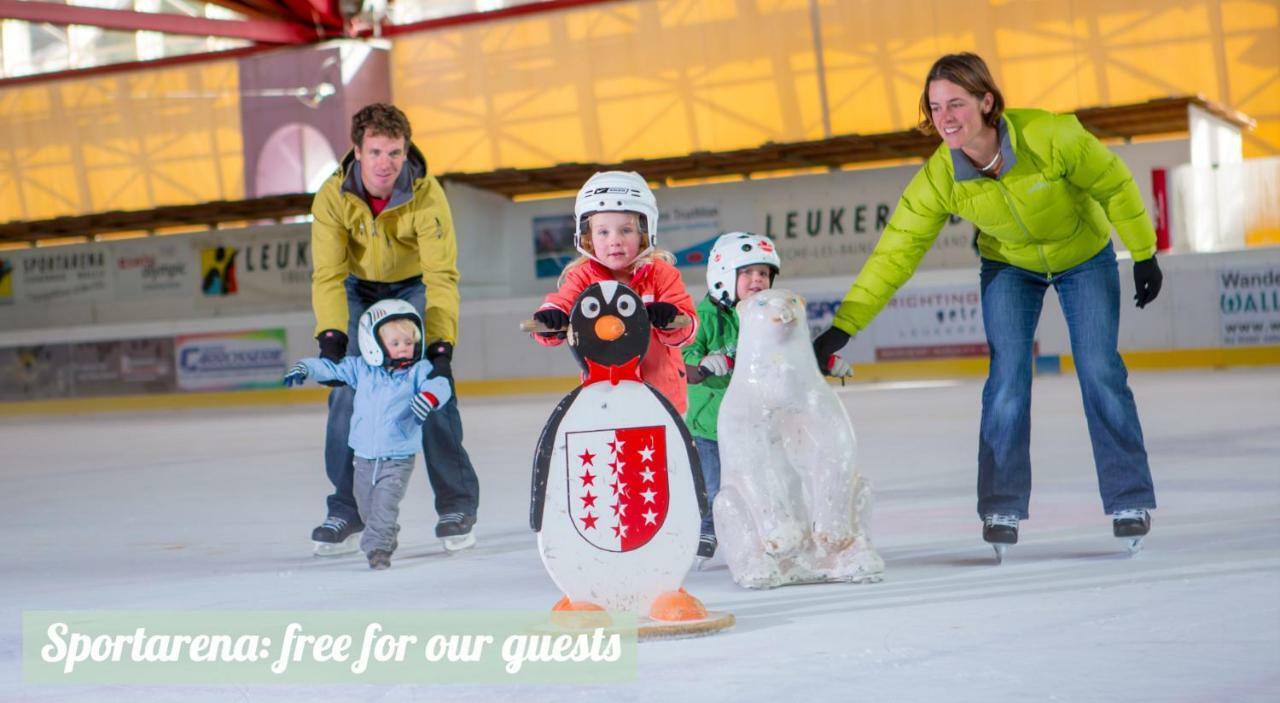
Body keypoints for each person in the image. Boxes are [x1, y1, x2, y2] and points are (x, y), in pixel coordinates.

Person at [812, 53, 1162, 553]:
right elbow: (896, 252)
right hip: (1009, 267)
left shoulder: (1049, 138)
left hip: (1084, 257)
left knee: (1099, 369)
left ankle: (1130, 498)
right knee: (1006, 380)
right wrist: (844, 326)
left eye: (956, 103)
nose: (945, 117)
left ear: (987, 101)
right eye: (935, 108)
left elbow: (1113, 184)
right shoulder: (941, 177)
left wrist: (1144, 252)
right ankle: (1001, 504)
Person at [309, 103, 480, 555]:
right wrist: (331, 340)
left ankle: (456, 504)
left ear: (406, 152)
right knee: (346, 392)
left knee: (431, 383)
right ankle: (347, 507)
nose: (386, 163)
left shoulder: (426, 194)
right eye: (376, 152)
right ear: (357, 151)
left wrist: (440, 348)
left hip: (413, 287)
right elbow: (327, 274)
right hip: (356, 287)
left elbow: (441, 275)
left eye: (395, 152)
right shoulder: (331, 196)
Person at [681, 232, 855, 561]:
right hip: (711, 425)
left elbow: (793, 356)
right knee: (715, 484)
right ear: (723, 275)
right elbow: (684, 358)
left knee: (767, 478)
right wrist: (701, 364)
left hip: (757, 422)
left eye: (763, 273)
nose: (757, 279)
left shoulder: (769, 316)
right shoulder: (704, 318)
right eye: (746, 273)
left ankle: (768, 534)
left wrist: (824, 362)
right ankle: (707, 527)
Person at [285, 300, 451, 569]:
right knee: (366, 511)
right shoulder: (361, 368)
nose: (404, 347)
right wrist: (306, 366)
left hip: (397, 458)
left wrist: (430, 396)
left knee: (384, 507)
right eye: (395, 342)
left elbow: (440, 384)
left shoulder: (418, 371)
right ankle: (383, 533)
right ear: (373, 343)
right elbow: (332, 369)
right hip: (363, 458)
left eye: (408, 342)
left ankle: (378, 549)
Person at [529, 171, 698, 413]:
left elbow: (688, 325)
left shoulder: (661, 274)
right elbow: (560, 304)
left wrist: (671, 318)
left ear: (643, 232)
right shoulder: (582, 277)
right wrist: (550, 318)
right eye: (603, 232)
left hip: (662, 396)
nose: (615, 240)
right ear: (588, 238)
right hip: (604, 397)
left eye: (626, 230)